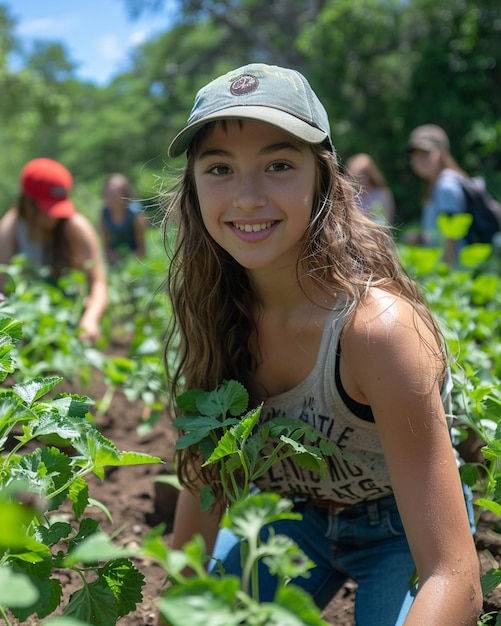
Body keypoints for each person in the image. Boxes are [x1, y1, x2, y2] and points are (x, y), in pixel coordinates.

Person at [162, 63, 481, 625]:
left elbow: (452, 573)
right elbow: (200, 505)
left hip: (401, 530)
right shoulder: (215, 313)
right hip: (292, 520)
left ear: (323, 178)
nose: (247, 197)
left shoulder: (376, 331)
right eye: (219, 168)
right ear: (193, 190)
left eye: (279, 164)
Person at [0, 157, 107, 341]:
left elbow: (98, 283)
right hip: (26, 320)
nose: (54, 217)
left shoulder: (76, 226)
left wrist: (90, 319)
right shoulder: (12, 227)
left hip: (69, 318)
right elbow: (2, 280)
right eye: (47, 208)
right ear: (28, 203)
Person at [406, 124, 470, 265]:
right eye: (414, 156)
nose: (418, 160)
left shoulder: (446, 186)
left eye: (425, 154)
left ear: (442, 153)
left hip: (457, 271)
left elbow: (451, 235)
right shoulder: (434, 185)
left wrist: (447, 275)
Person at [100, 173, 147, 264]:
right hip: (115, 259)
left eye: (114, 193)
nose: (110, 196)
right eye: (108, 193)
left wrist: (131, 260)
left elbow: (142, 248)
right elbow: (106, 246)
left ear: (124, 194)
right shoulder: (104, 213)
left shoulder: (135, 213)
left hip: (135, 258)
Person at [345, 152, 395, 224]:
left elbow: (389, 219)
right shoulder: (351, 199)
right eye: (355, 176)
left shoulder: (382, 193)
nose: (359, 179)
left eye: (362, 174)